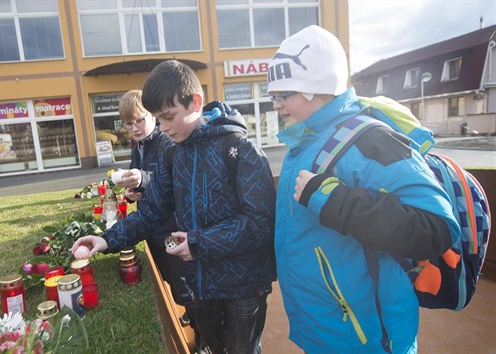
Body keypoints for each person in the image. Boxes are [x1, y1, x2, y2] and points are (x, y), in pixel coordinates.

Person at [269, 25, 461, 353]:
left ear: (316, 88)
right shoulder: (305, 142)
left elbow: (436, 228)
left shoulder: (370, 139)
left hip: (366, 337)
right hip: (327, 330)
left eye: (283, 95)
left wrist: (334, 201)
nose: (276, 106)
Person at [72, 60, 276, 354]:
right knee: (214, 347)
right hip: (201, 283)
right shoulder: (175, 155)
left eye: (168, 117)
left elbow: (259, 224)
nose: (164, 128)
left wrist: (198, 242)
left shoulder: (241, 150)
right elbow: (152, 211)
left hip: (244, 286)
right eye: (158, 118)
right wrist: (106, 240)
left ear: (195, 102)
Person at [114, 89, 198, 333]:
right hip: (152, 229)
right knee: (173, 283)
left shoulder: (166, 142)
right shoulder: (137, 147)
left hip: (172, 229)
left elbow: (173, 181)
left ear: (152, 116)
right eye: (129, 124)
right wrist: (132, 193)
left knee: (184, 286)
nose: (136, 128)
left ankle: (203, 337)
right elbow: (140, 183)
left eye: (140, 120)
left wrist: (143, 178)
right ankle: (193, 318)